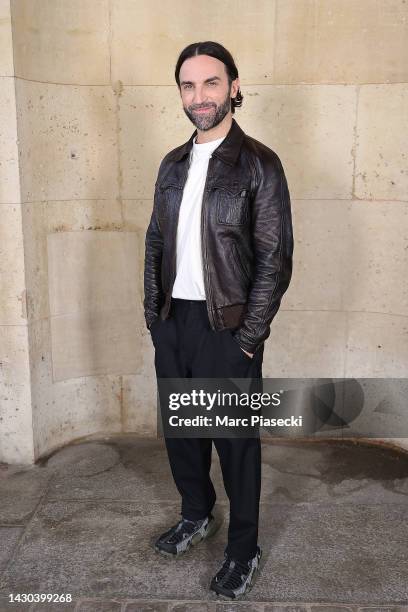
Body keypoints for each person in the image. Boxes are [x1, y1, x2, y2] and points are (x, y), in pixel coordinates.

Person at [143, 40, 293, 601]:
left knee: (235, 443)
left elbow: (275, 260)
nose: (199, 96)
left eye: (210, 83)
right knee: (183, 433)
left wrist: (249, 339)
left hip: (228, 327)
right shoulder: (172, 164)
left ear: (233, 86)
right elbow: (156, 240)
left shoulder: (258, 163)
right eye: (188, 84)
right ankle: (196, 515)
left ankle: (243, 548)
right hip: (174, 323)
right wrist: (154, 318)